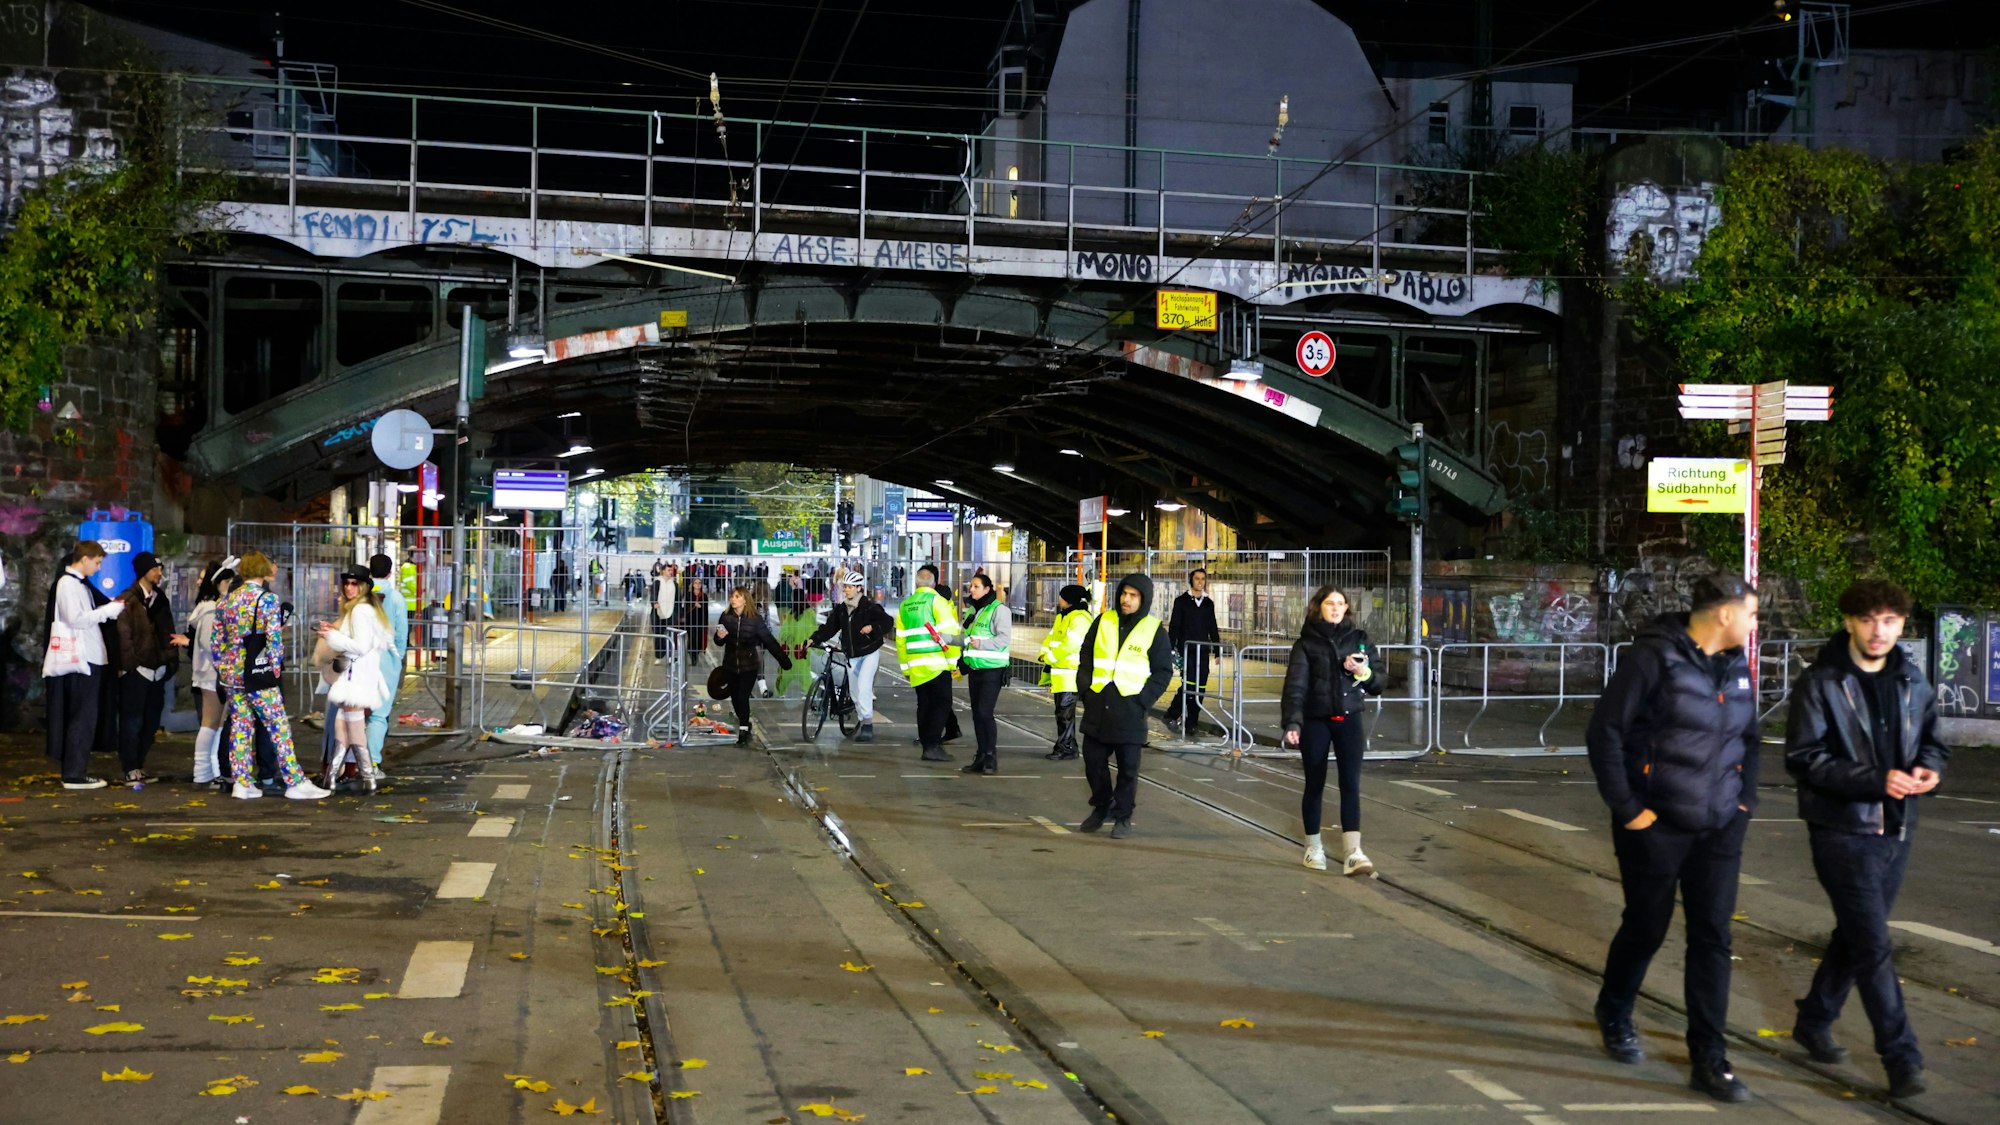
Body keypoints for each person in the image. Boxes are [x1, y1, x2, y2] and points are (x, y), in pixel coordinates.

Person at [1585, 575, 1759, 1102]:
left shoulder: (1737, 667)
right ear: (1724, 613)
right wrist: (1630, 809)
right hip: (1655, 823)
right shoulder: (1652, 659)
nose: (1757, 625)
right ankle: (1614, 1009)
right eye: (1752, 614)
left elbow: (1749, 739)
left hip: (1719, 827)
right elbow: (1605, 732)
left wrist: (1744, 803)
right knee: (1646, 926)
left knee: (1713, 936)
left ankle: (1709, 1057)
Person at [1785, 578, 1947, 1100]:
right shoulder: (1822, 682)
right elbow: (1804, 759)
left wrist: (1928, 769)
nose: (1880, 631)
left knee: (1856, 935)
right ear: (1850, 623)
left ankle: (1814, 1019)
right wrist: (1874, 780)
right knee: (1874, 944)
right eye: (1869, 619)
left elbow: (1933, 744)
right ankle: (1902, 1058)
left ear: (1902, 624)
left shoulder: (1911, 681)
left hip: (1896, 828)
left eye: (1890, 621)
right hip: (1841, 829)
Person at [1281, 585, 1386, 874]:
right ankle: (1313, 847)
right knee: (1314, 784)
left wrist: (1362, 672)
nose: (1336, 608)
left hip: (1349, 719)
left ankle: (1353, 852)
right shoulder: (1306, 644)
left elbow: (1379, 682)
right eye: (1330, 603)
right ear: (1319, 608)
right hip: (1316, 721)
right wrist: (1293, 721)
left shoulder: (1359, 640)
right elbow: (1296, 686)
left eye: (1340, 603)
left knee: (1350, 784)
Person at [212, 551, 329, 801]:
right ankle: (295, 781)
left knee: (241, 727)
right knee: (278, 726)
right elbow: (273, 640)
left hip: (232, 673)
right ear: (262, 571)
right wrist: (274, 669)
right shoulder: (267, 600)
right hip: (258, 672)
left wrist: (223, 667)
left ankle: (242, 782)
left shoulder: (226, 601)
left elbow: (216, 641)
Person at [1075, 573, 1172, 839]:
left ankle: (1123, 816)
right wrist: (1086, 689)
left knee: (1128, 770)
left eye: (1133, 595)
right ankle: (1103, 804)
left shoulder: (1154, 631)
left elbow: (1163, 672)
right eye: (1123, 593)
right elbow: (1086, 654)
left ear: (1144, 599)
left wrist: (1143, 701)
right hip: (1098, 706)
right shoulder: (1104, 620)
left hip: (1130, 711)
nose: (1125, 599)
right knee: (1093, 763)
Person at [41, 541, 128, 789]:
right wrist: (109, 610)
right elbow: (76, 619)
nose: (99, 567)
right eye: (98, 562)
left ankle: (76, 770)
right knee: (83, 716)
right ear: (85, 558)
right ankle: (74, 772)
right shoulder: (68, 584)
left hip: (88, 658)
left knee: (86, 716)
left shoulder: (77, 585)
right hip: (81, 660)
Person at [113, 551, 190, 784]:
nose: (159, 573)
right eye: (155, 569)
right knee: (132, 719)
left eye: (161, 568)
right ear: (143, 571)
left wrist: (170, 661)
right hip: (137, 671)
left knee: (151, 721)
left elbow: (168, 630)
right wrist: (131, 666)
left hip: (158, 669)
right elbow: (123, 637)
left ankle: (140, 763)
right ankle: (130, 766)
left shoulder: (160, 599)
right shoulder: (128, 600)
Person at [315, 566, 394, 793]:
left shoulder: (360, 611)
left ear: (364, 586)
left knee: (354, 728)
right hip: (358, 676)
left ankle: (367, 777)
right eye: (347, 583)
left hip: (355, 678)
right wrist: (335, 632)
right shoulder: (366, 609)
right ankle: (331, 777)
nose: (349, 588)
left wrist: (331, 636)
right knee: (342, 725)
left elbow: (360, 646)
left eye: (354, 584)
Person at [808, 570, 892, 743]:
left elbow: (887, 622)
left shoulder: (870, 607)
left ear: (859, 588)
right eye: (844, 586)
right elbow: (829, 628)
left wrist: (872, 628)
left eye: (849, 587)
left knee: (863, 687)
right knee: (854, 693)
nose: (846, 590)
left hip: (869, 652)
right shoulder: (841, 609)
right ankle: (862, 719)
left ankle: (867, 724)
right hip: (851, 656)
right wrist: (813, 638)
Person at [897, 563, 962, 761]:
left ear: (916, 583)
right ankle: (932, 746)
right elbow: (950, 634)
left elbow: (901, 640)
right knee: (942, 704)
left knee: (924, 705)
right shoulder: (937, 601)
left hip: (916, 665)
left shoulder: (905, 605)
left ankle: (927, 744)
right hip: (936, 663)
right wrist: (953, 664)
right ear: (933, 584)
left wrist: (905, 668)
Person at [714, 585, 791, 745]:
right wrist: (719, 637)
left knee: (742, 696)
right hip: (730, 664)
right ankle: (745, 722)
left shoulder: (755, 619)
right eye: (732, 596)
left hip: (749, 665)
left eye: (737, 596)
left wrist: (783, 660)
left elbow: (769, 641)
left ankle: (743, 730)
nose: (733, 599)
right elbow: (718, 641)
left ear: (744, 599)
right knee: (735, 697)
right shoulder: (725, 617)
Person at [186, 561, 237, 787]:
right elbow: (209, 643)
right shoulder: (212, 610)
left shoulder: (214, 608)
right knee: (210, 722)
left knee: (215, 723)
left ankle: (211, 769)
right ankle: (202, 771)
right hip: (211, 673)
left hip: (213, 672)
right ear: (222, 584)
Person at [957, 572, 1012, 774]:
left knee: (984, 713)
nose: (971, 590)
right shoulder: (974, 610)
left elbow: (1004, 639)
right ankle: (981, 756)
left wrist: (982, 644)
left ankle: (990, 757)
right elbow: (967, 638)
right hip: (975, 669)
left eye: (976, 586)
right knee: (977, 715)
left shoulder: (999, 610)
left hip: (992, 670)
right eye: (971, 586)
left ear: (987, 589)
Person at [364, 553, 409, 772]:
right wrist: (397, 657)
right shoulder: (396, 598)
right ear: (391, 572)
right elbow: (401, 633)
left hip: (362, 658)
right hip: (386, 660)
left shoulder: (362, 594)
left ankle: (351, 762)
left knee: (357, 712)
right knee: (379, 715)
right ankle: (371, 762)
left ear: (369, 570)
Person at [1039, 585, 1093, 761]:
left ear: (1069, 599)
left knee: (1065, 713)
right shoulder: (1063, 616)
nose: (1058, 599)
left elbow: (1071, 644)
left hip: (1072, 673)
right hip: (1061, 673)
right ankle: (1066, 745)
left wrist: (1049, 657)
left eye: (1061, 596)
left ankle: (1067, 748)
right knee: (1062, 713)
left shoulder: (1080, 619)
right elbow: (1051, 638)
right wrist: (1044, 653)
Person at [1166, 567, 1221, 735]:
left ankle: (1190, 720)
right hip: (1187, 649)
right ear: (1191, 581)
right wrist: (1171, 648)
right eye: (1197, 579)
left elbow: (1212, 626)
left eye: (1203, 579)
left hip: (1202, 651)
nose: (1200, 582)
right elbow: (1174, 626)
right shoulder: (1181, 601)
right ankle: (1176, 715)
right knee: (1189, 685)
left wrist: (1217, 650)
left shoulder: (1208, 604)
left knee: (1200, 687)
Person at [651, 564, 677, 663]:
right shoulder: (657, 582)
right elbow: (653, 595)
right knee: (659, 635)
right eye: (668, 570)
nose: (670, 572)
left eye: (671, 570)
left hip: (671, 613)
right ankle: (659, 656)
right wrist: (654, 603)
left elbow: (678, 599)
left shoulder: (674, 584)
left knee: (671, 635)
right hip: (658, 613)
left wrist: (678, 613)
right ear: (662, 571)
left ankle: (670, 656)